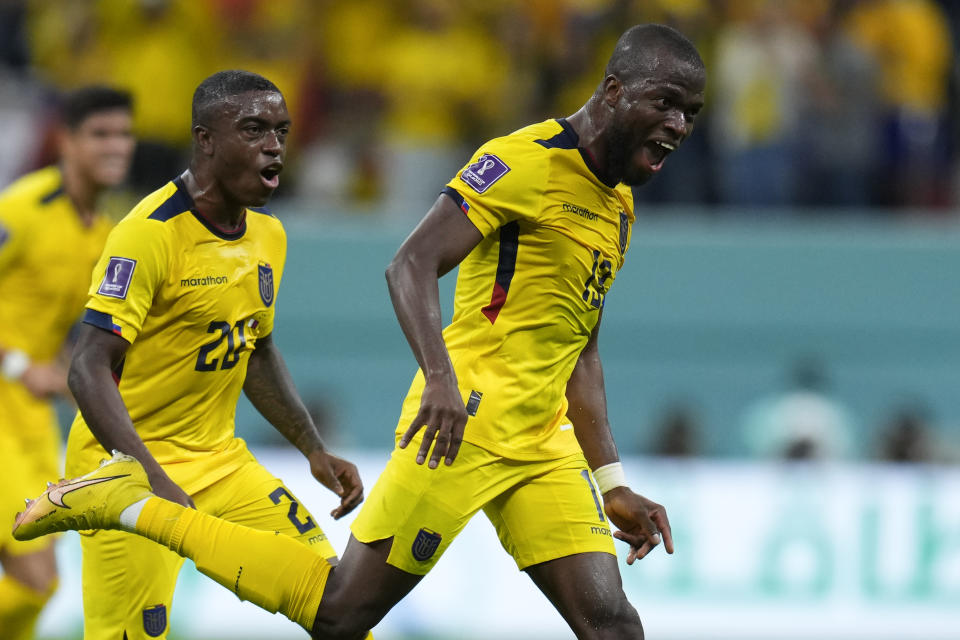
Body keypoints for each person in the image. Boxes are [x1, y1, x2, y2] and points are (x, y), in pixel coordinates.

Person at [15, 24, 705, 640]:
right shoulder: (527, 161)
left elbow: (580, 346)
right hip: (462, 425)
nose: (679, 124)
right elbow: (410, 262)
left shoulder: (617, 208)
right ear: (614, 90)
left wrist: (609, 477)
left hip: (540, 442)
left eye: (691, 113)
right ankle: (129, 504)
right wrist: (439, 377)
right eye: (666, 103)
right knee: (340, 614)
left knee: (613, 624)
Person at [50, 70, 364, 640]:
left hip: (220, 461)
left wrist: (313, 448)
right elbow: (87, 366)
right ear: (205, 140)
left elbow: (257, 349)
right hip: (124, 468)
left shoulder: (269, 235)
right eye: (254, 129)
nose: (274, 146)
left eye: (281, 131)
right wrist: (147, 478)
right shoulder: (149, 233)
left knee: (337, 602)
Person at [0, 85, 134, 640]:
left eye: (124, 134)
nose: (116, 147)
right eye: (100, 134)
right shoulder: (22, 209)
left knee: (40, 585)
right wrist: (16, 364)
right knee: (37, 575)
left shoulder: (103, 233)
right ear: (65, 141)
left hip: (32, 422)